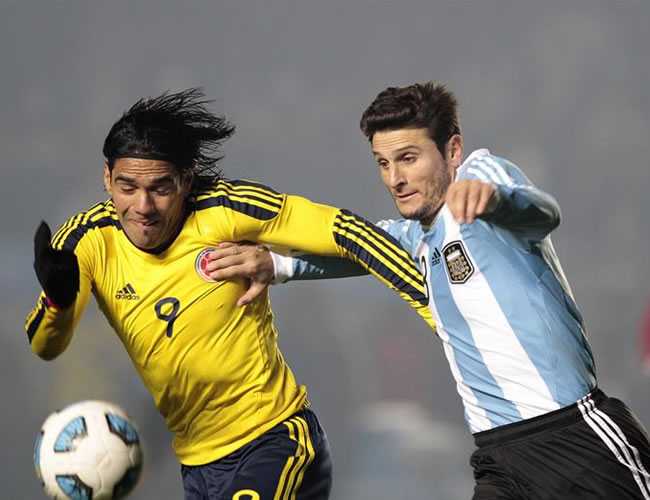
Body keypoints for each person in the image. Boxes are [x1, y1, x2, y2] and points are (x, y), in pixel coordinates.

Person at [210, 82, 650, 499]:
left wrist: (497, 200)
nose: (395, 179)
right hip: (498, 455)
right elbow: (356, 249)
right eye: (383, 163)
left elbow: (544, 213)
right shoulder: (413, 236)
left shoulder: (481, 174)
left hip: (572, 435)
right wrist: (275, 264)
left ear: (452, 150)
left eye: (408, 158)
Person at [25, 88, 434, 500]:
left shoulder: (225, 210)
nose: (143, 206)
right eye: (127, 187)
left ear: (186, 181)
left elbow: (347, 232)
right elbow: (46, 346)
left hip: (275, 441)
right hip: (198, 467)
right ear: (107, 178)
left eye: (160, 188)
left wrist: (436, 312)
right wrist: (58, 302)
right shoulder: (88, 240)